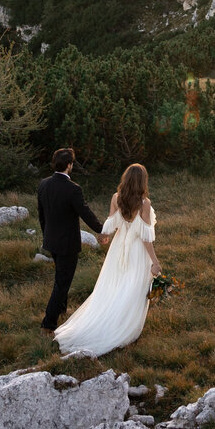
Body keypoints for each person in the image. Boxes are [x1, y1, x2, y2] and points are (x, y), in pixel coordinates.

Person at [53, 163, 160, 357]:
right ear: (143, 181)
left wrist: (105, 237)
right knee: (132, 289)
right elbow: (145, 237)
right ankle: (121, 327)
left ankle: (106, 320)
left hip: (118, 248)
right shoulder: (145, 204)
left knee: (115, 286)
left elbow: (110, 226)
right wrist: (155, 261)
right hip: (136, 250)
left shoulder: (116, 198)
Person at [37, 148, 111, 333]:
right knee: (62, 283)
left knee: (60, 278)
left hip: (51, 241)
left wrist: (46, 234)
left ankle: (62, 311)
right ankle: (48, 323)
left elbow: (41, 215)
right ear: (69, 165)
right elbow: (85, 213)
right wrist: (103, 229)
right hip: (67, 244)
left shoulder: (43, 184)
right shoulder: (73, 189)